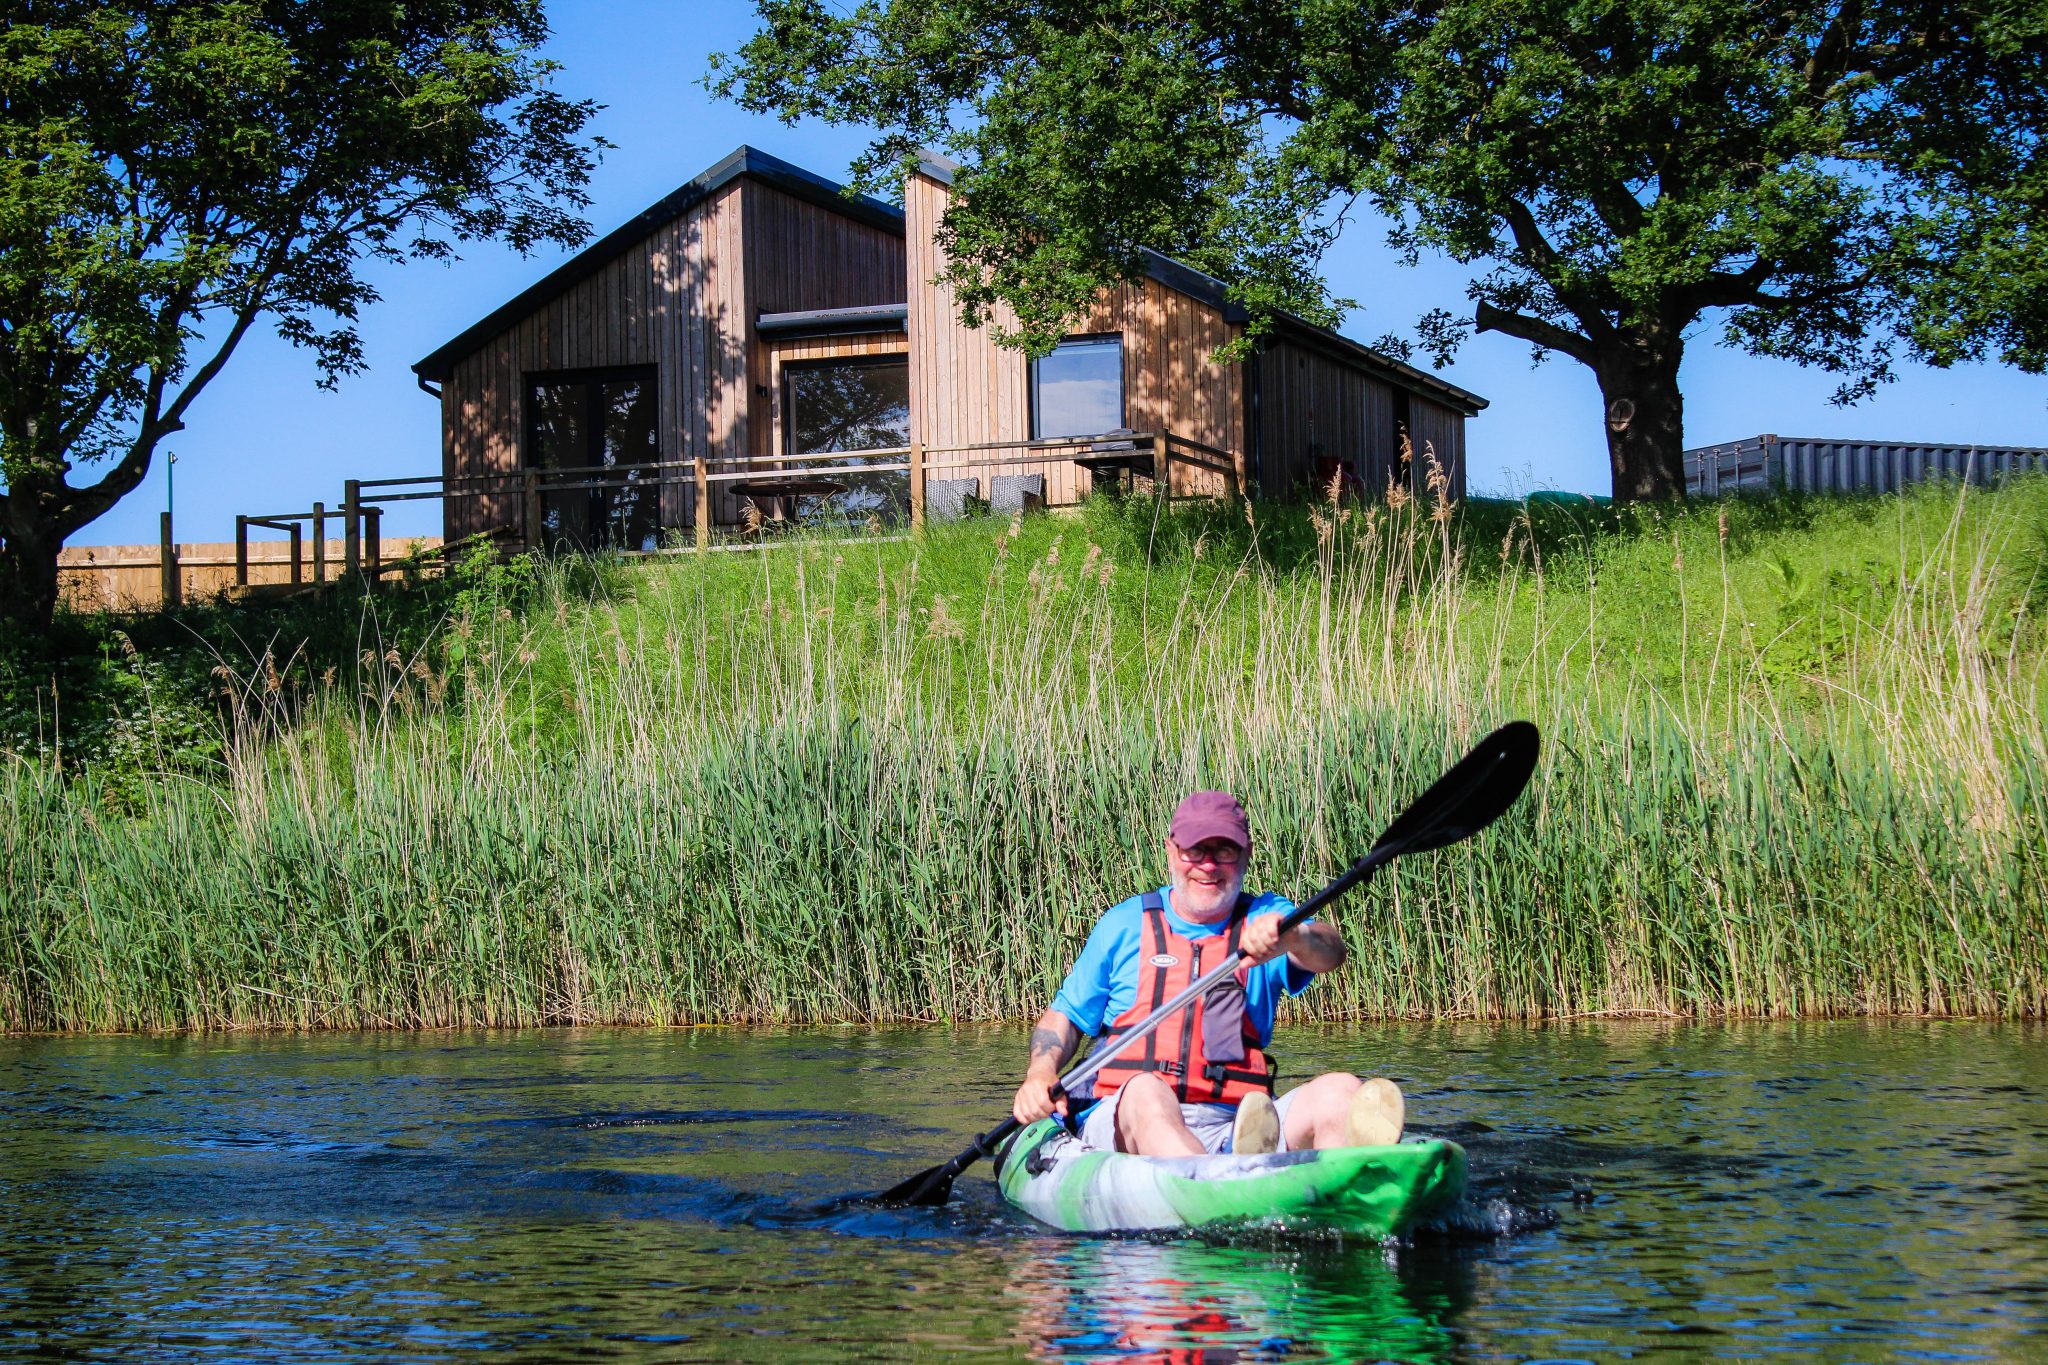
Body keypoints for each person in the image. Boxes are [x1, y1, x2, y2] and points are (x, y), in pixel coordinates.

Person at [1012, 790, 1405, 1156]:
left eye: (1224, 851)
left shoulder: (1268, 919)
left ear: (1247, 854)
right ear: (1171, 850)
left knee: (1342, 1092)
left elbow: (1331, 952)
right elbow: (1065, 1017)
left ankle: (1350, 1202)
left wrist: (1296, 937)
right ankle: (1216, 1186)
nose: (1208, 864)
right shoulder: (1124, 924)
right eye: (1195, 850)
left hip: (1234, 1120)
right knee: (1147, 1092)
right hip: (1124, 1120)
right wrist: (1040, 1072)